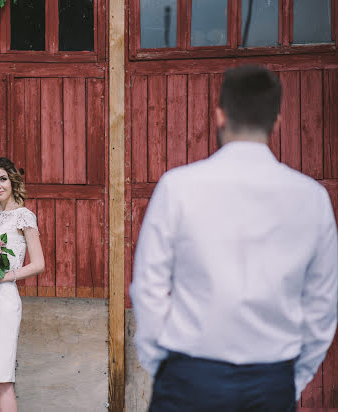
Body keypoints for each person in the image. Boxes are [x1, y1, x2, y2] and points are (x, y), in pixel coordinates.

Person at [130, 65, 338, 411]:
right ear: (277, 122)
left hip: (188, 375)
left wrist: (162, 365)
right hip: (271, 381)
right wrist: (292, 379)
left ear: (220, 116)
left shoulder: (178, 187)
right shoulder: (311, 198)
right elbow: (322, 303)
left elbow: (148, 287)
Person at [0, 157, 45, 412]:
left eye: (2, 179)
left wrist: (2, 277)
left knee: (1, 382)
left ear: (12, 180)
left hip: (3, 299)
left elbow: (38, 264)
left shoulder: (24, 216)